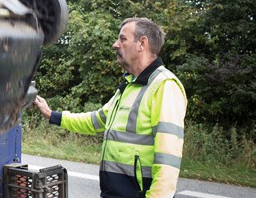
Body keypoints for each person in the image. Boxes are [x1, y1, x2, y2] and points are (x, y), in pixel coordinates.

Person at [34, 17, 187, 198]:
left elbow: (168, 161)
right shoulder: (129, 85)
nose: (115, 45)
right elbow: (95, 121)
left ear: (142, 44)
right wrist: (52, 115)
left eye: (122, 39)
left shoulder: (164, 86)